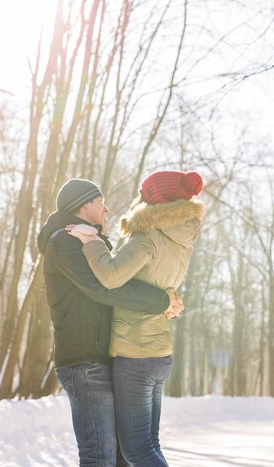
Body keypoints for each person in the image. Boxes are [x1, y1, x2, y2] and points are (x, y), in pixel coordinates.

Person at [37, 178, 182, 467]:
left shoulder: (93, 241)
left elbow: (123, 281)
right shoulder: (63, 242)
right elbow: (105, 289)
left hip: (104, 357)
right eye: (101, 201)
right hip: (83, 361)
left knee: (120, 458)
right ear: (84, 204)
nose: (107, 207)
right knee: (99, 455)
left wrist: (169, 295)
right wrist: (161, 301)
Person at [68, 170, 205, 466]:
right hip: (158, 352)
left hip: (135, 354)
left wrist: (91, 242)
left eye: (142, 193)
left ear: (152, 198)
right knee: (149, 444)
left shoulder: (147, 235)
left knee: (136, 451)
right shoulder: (180, 235)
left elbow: (111, 276)